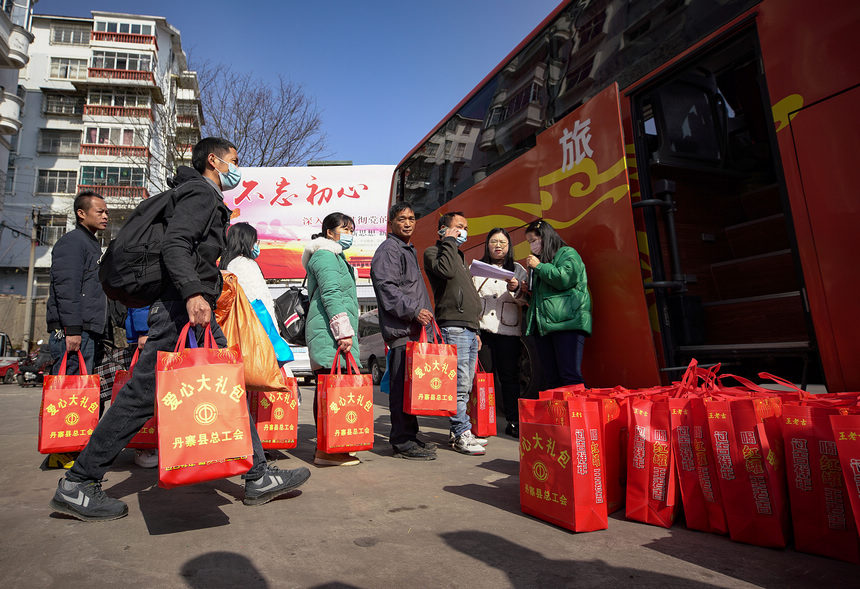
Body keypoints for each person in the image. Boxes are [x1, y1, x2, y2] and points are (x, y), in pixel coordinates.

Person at [49, 137, 311, 522]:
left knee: (226, 385)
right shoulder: (200, 194)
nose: (238, 168)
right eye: (234, 160)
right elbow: (175, 244)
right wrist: (192, 293)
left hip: (187, 307)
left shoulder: (199, 195)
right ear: (214, 161)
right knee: (141, 396)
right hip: (180, 310)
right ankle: (79, 482)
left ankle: (257, 476)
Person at [369, 203, 437, 460]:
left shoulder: (406, 249)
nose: (408, 223)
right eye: (401, 219)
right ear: (390, 223)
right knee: (401, 388)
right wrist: (413, 311)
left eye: (411, 218)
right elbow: (387, 289)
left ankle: (411, 435)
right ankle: (401, 441)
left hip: (413, 330)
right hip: (402, 331)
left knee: (412, 387)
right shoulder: (389, 249)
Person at [424, 211, 488, 456]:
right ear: (443, 229)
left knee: (466, 384)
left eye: (466, 227)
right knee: (458, 386)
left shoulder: (458, 255)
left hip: (468, 328)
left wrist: (477, 329)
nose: (464, 232)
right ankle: (462, 433)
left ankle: (458, 430)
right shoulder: (435, 252)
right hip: (454, 326)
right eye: (458, 227)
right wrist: (449, 242)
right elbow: (446, 272)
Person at [303, 212, 362, 467]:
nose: (349, 233)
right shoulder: (326, 255)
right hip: (330, 334)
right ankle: (325, 450)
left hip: (333, 334)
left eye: (351, 229)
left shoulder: (337, 257)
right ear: (329, 232)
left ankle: (334, 445)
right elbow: (331, 294)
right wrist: (343, 331)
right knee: (330, 390)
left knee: (333, 390)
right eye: (344, 229)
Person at [523, 219, 592, 389]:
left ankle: (578, 415)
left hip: (567, 324)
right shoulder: (543, 262)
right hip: (545, 327)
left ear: (545, 237)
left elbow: (564, 278)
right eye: (529, 242)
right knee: (551, 377)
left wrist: (539, 267)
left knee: (569, 374)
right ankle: (559, 415)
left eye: (533, 240)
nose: (532, 245)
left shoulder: (567, 253)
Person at [45, 190, 108, 377]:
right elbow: (66, 288)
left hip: (87, 331)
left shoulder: (91, 243)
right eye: (100, 212)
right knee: (68, 395)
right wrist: (72, 330)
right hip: (74, 332)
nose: (105, 216)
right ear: (81, 213)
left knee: (81, 398)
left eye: (106, 212)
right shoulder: (72, 242)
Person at [473, 228, 528, 438]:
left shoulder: (518, 269)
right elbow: (471, 298)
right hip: (484, 329)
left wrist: (516, 289)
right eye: (494, 242)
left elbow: (524, 300)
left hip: (508, 330)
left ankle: (513, 421)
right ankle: (483, 420)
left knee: (509, 377)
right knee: (484, 377)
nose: (498, 246)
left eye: (502, 243)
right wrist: (474, 329)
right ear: (487, 245)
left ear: (509, 246)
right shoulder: (476, 268)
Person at [220, 222, 293, 377]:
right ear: (245, 241)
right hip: (257, 328)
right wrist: (273, 327)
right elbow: (258, 301)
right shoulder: (245, 264)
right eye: (255, 241)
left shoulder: (228, 264)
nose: (256, 245)